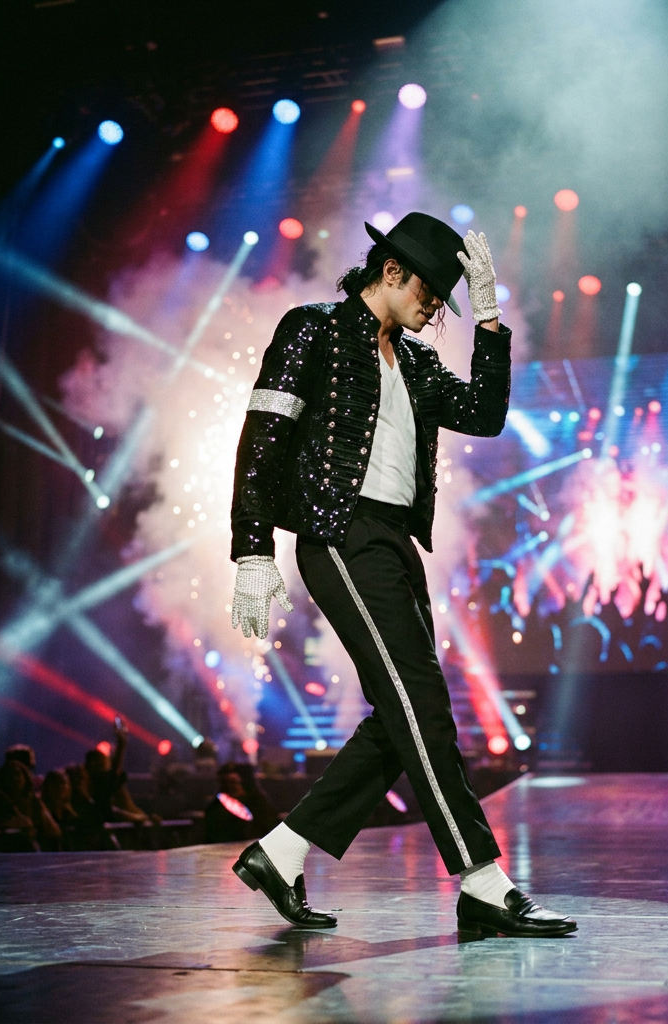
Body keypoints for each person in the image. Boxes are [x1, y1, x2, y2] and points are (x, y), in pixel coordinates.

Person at [228, 212, 576, 938]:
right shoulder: (313, 329)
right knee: (421, 706)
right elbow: (262, 437)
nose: (434, 308)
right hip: (339, 533)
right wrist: (252, 548)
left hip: (392, 542)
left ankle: (280, 852)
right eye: (431, 291)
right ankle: (482, 880)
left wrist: (489, 316)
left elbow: (486, 413)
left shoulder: (414, 363)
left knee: (406, 714)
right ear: (390, 271)